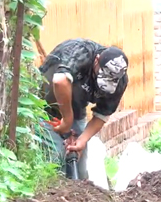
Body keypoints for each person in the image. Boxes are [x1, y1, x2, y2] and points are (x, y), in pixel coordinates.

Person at [39, 39, 129, 181]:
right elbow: (60, 81)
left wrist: (82, 140)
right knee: (55, 159)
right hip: (43, 106)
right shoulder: (80, 53)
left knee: (79, 162)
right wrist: (67, 121)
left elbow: (102, 115)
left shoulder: (120, 81)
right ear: (97, 61)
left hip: (76, 110)